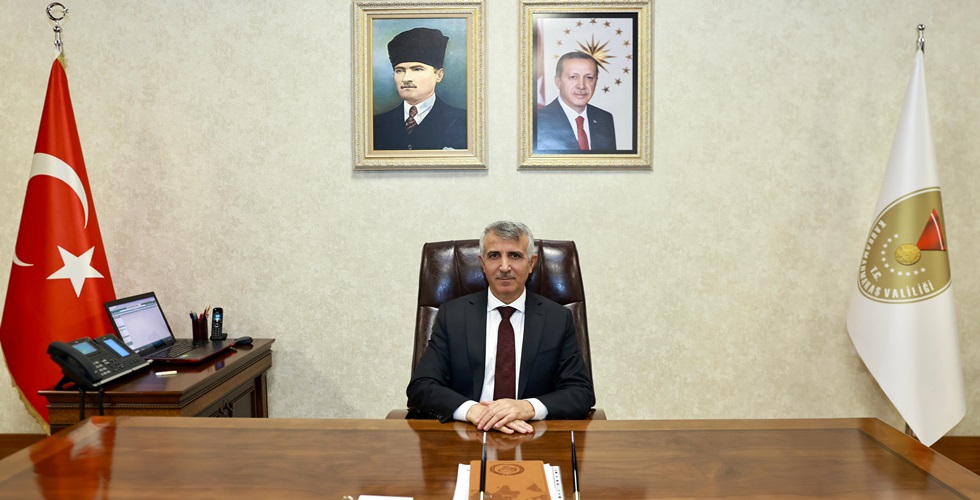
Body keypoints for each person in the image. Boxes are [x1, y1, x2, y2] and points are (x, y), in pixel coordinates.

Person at [406, 221, 595, 434]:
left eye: (515, 255)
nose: (504, 267)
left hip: (533, 434)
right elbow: (421, 386)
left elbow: (580, 392)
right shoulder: (453, 315)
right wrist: (472, 411)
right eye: (494, 255)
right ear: (482, 263)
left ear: (531, 263)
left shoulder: (557, 318)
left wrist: (528, 407)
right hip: (467, 433)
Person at [373, 27, 467, 151]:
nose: (406, 78)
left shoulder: (464, 121)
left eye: (417, 69)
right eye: (399, 70)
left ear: (439, 75)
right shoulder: (375, 125)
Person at [534, 51, 617, 152]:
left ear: (596, 82)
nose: (581, 86)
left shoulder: (604, 119)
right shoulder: (538, 120)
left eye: (589, 78)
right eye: (573, 77)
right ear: (558, 81)